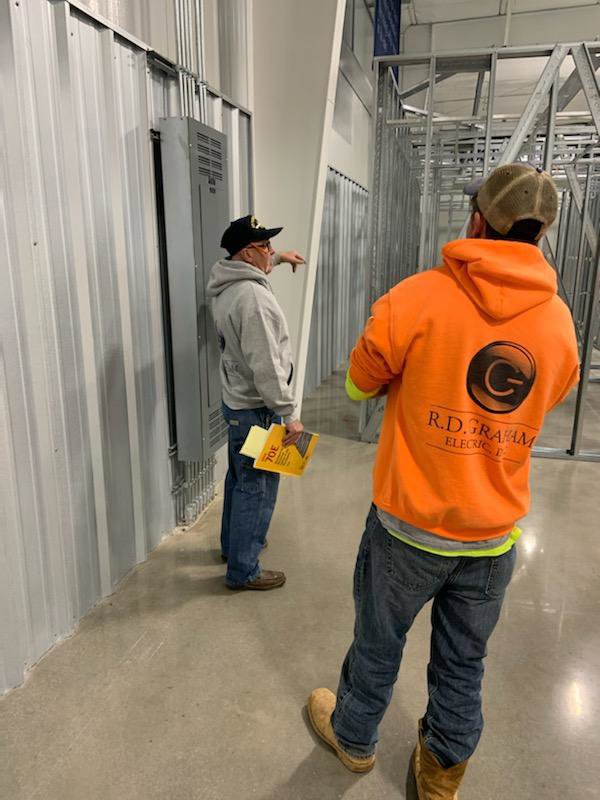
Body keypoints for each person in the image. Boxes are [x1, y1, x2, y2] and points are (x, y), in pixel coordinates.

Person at [307, 164, 580, 797]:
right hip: (492, 540)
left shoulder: (417, 297)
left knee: (378, 641)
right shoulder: (560, 324)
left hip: (408, 529)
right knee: (463, 662)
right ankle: (440, 779)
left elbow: (355, 385)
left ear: (477, 220)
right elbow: (548, 397)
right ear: (541, 236)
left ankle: (353, 738)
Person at [207, 214, 305, 591]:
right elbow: (266, 365)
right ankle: (244, 569)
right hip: (257, 408)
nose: (272, 250)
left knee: (240, 478)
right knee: (257, 485)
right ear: (247, 254)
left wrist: (280, 261)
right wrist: (289, 414)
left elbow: (253, 275)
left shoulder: (227, 282)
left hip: (237, 403)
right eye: (266, 247)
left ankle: (233, 548)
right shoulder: (253, 300)